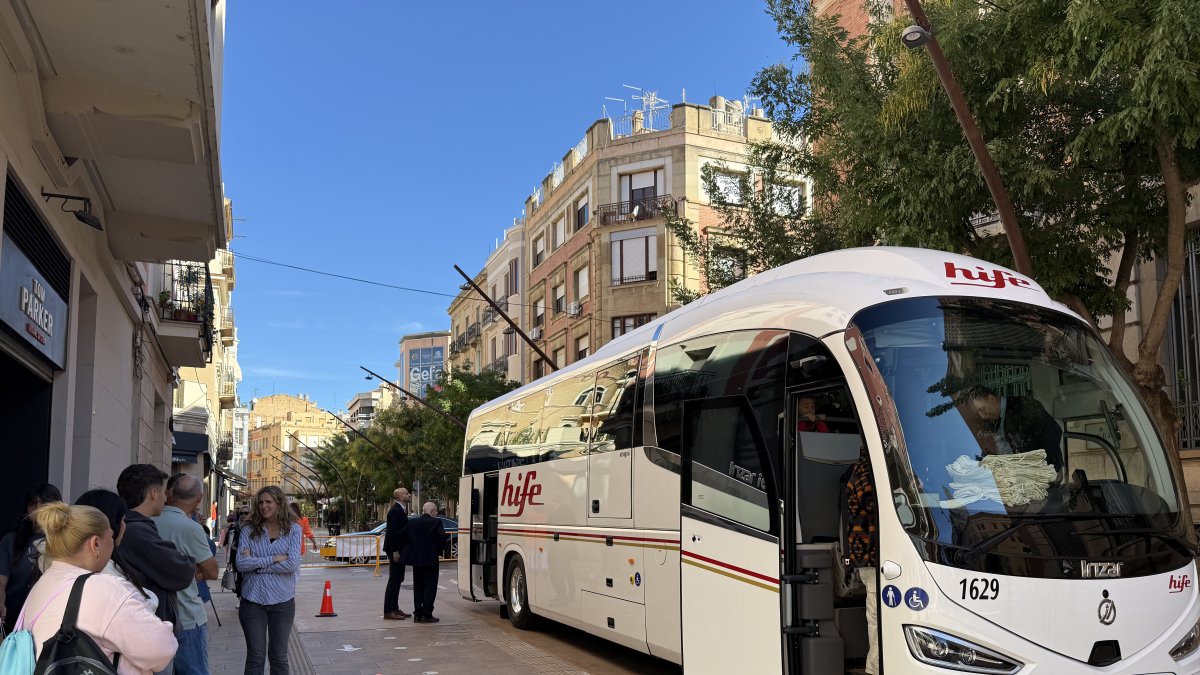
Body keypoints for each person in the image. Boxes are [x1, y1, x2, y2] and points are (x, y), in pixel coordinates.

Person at [21, 502, 176, 675]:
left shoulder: (42, 584)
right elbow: (161, 650)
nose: (114, 543)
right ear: (95, 544)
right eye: (111, 537)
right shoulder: (105, 588)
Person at [116, 463, 199, 657]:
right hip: (147, 629)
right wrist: (186, 561)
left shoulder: (131, 525)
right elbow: (182, 570)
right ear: (153, 493)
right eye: (162, 492)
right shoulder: (138, 531)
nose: (165, 498)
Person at [154, 475, 218, 675]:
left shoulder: (148, 521)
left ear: (169, 494)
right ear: (199, 498)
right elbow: (212, 571)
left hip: (153, 615)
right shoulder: (191, 528)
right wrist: (196, 570)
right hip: (186, 616)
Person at [236, 486, 301, 675]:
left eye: (268, 502)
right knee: (255, 657)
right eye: (261, 502)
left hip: (283, 602)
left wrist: (256, 565)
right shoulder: (249, 530)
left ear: (279, 503)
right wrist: (274, 558)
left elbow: (291, 565)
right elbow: (241, 563)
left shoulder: (294, 530)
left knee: (279, 657)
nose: (264, 506)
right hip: (252, 601)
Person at [74, 489, 158, 612]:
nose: (124, 526)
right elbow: (135, 609)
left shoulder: (62, 559)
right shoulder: (102, 570)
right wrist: (152, 598)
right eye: (122, 520)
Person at [0, 483, 61, 633]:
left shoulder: (64, 541)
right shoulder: (11, 540)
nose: (38, 508)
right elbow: (1, 581)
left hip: (50, 618)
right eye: (33, 504)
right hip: (14, 616)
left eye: (44, 503)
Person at [961, 385, 1064, 471]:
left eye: (981, 409)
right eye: (978, 414)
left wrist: (1047, 469)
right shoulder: (995, 425)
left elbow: (1052, 431)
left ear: (991, 398)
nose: (982, 416)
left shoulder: (1023, 406)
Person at [842, 447, 879, 674]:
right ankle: (875, 668)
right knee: (877, 615)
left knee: (877, 614)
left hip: (873, 556)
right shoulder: (865, 472)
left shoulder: (866, 470)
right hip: (871, 557)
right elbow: (875, 504)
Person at [407, 502, 448, 624]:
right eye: (436, 512)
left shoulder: (413, 522)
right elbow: (442, 537)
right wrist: (437, 550)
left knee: (418, 586)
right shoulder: (436, 522)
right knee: (430, 587)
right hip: (431, 559)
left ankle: (417, 614)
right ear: (432, 511)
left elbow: (407, 537)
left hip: (417, 560)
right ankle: (427, 614)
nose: (436, 514)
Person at [382, 487, 411, 621]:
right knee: (394, 580)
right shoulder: (395, 511)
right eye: (406, 493)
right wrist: (395, 551)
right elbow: (392, 533)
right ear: (399, 496)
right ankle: (388, 610)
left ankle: (395, 608)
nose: (408, 495)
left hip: (400, 549)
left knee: (398, 579)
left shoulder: (401, 509)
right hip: (395, 549)